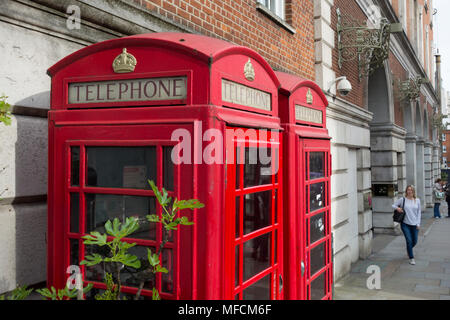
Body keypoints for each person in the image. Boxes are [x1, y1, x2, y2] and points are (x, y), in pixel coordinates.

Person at [392, 185, 421, 265]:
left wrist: (418, 223)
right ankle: (411, 258)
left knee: (415, 241)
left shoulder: (417, 200)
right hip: (405, 224)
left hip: (415, 224)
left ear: (413, 191)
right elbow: (393, 205)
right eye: (408, 190)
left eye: (411, 190)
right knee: (409, 240)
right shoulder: (402, 199)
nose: (409, 191)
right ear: (406, 191)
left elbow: (419, 213)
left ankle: (409, 249)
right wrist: (397, 208)